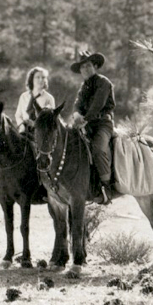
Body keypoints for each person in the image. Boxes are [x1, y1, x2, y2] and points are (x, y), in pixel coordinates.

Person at [69, 50, 114, 203]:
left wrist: (84, 119)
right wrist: (75, 114)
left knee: (98, 149)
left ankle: (106, 187)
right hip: (86, 124)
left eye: (88, 66)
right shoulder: (83, 86)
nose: (85, 70)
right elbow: (77, 103)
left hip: (103, 124)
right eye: (82, 67)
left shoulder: (104, 82)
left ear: (95, 66)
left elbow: (98, 105)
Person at [15, 66, 55, 131]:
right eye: (37, 77)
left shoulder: (49, 98)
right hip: (24, 131)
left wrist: (35, 124)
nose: (41, 80)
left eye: (43, 77)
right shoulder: (24, 96)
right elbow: (18, 115)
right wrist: (21, 125)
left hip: (40, 132)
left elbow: (50, 120)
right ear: (31, 80)